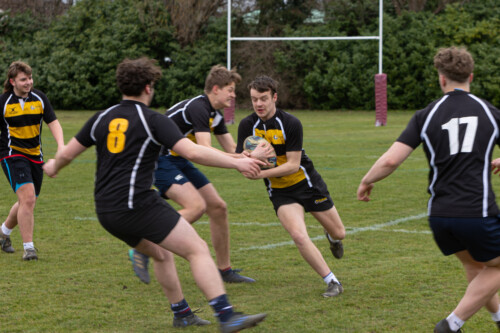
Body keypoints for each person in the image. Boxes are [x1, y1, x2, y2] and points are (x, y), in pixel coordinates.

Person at [43, 57, 267, 332]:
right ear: (148, 87)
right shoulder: (153, 120)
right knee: (197, 249)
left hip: (106, 211)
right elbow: (194, 151)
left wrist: (53, 166)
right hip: (138, 205)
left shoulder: (102, 117)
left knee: (161, 253)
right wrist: (238, 162)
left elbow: (67, 153)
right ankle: (227, 316)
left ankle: (182, 313)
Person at [356, 46, 500, 333]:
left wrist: (367, 180)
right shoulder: (490, 112)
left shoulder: (427, 114)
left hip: (440, 216)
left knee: (476, 268)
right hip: (476, 212)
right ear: (470, 76)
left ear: (442, 79)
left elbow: (391, 160)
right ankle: (451, 324)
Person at [129, 65, 270, 284]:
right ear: (216, 89)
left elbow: (232, 148)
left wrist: (253, 156)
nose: (233, 95)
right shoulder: (199, 108)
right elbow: (203, 150)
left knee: (218, 207)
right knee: (196, 207)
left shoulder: (214, 114)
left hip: (177, 159)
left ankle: (224, 270)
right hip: (158, 160)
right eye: (230, 90)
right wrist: (241, 162)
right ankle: (144, 243)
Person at [235, 75, 346, 297]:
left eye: (264, 98)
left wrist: (259, 174)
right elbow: (240, 160)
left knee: (340, 232)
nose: (258, 104)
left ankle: (332, 237)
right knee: (298, 234)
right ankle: (332, 281)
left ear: (274, 97)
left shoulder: (291, 123)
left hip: (307, 184)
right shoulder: (247, 125)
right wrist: (247, 164)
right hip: (280, 191)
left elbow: (293, 166)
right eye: (254, 99)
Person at [0, 60, 64, 261]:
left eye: (30, 78)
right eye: (23, 79)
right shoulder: (3, 102)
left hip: (36, 156)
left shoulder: (39, 98)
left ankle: (3, 234)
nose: (28, 82)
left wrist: (62, 147)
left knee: (28, 200)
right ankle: (29, 249)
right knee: (27, 198)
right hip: (12, 154)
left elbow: (53, 122)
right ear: (12, 81)